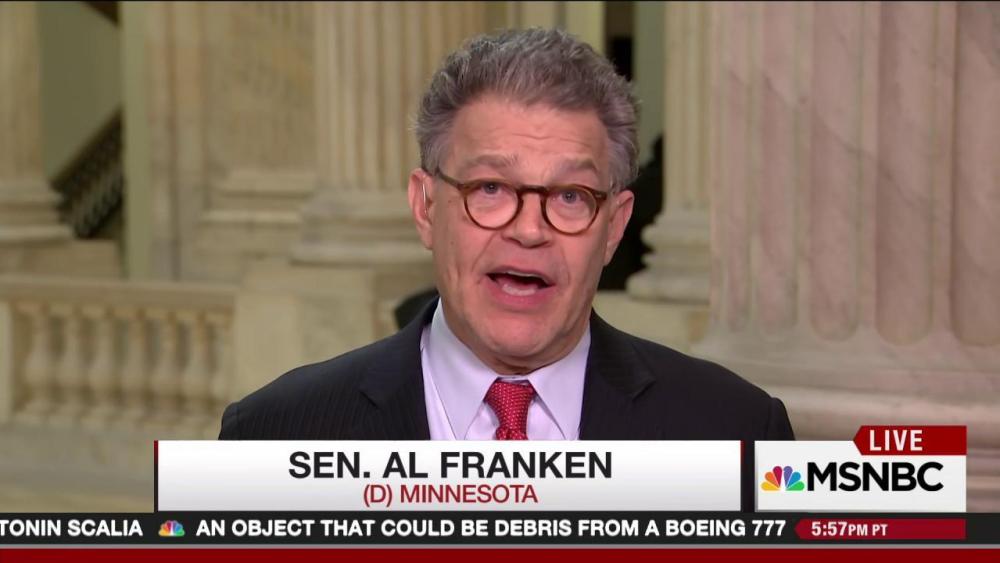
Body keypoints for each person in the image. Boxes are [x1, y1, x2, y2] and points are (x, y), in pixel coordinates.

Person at [219, 28, 793, 446]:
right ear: (425, 207)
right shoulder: (272, 437)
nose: (529, 229)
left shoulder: (737, 432)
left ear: (614, 227)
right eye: (490, 188)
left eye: (570, 196)